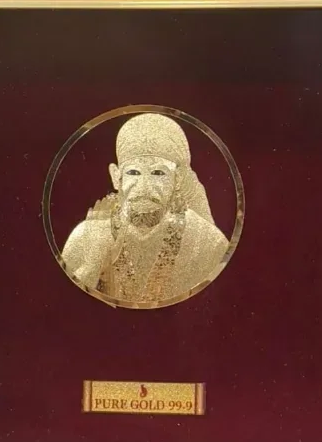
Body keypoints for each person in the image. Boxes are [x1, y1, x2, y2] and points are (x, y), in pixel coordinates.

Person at [61, 113, 231, 305]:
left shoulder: (206, 241)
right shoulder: (86, 237)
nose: (145, 187)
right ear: (116, 176)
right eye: (133, 172)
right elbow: (65, 306)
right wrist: (93, 259)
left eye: (158, 173)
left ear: (177, 179)